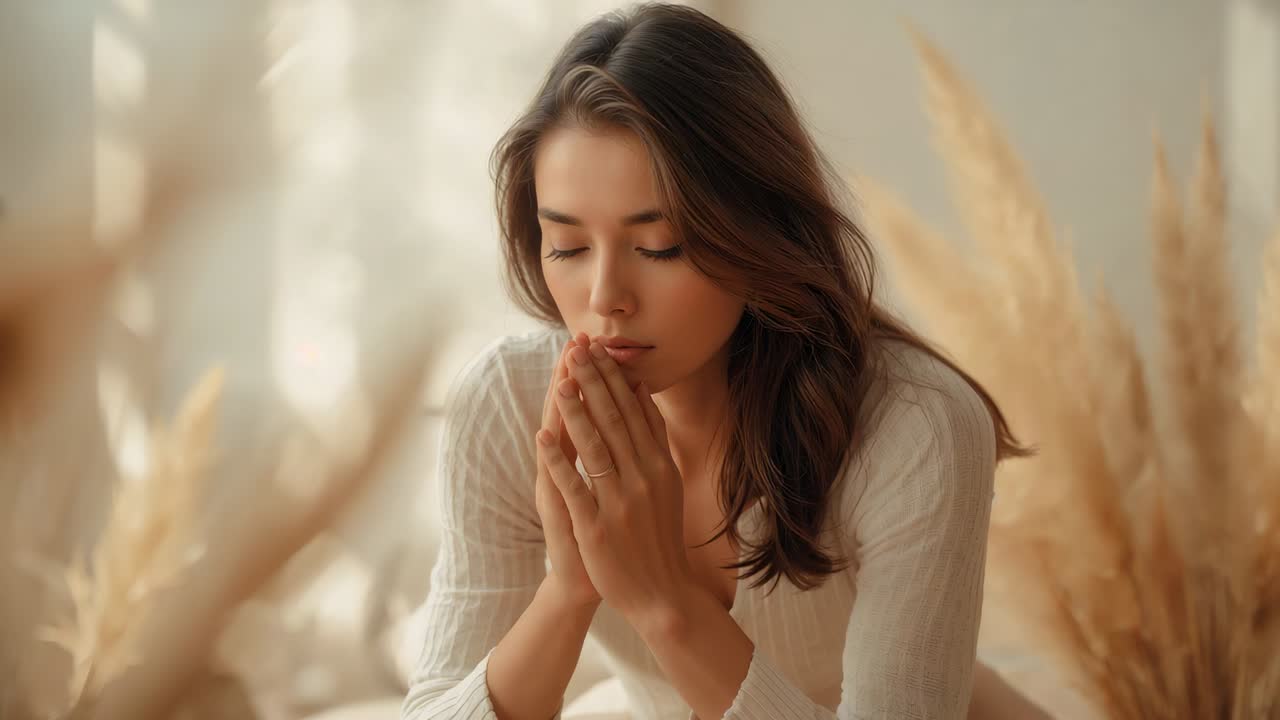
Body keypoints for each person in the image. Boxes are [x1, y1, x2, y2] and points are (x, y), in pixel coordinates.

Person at [401, 4, 1053, 719]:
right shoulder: (508, 402)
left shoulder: (916, 424)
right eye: (569, 247)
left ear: (758, 230)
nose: (605, 297)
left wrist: (664, 604)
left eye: (660, 247)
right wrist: (570, 588)